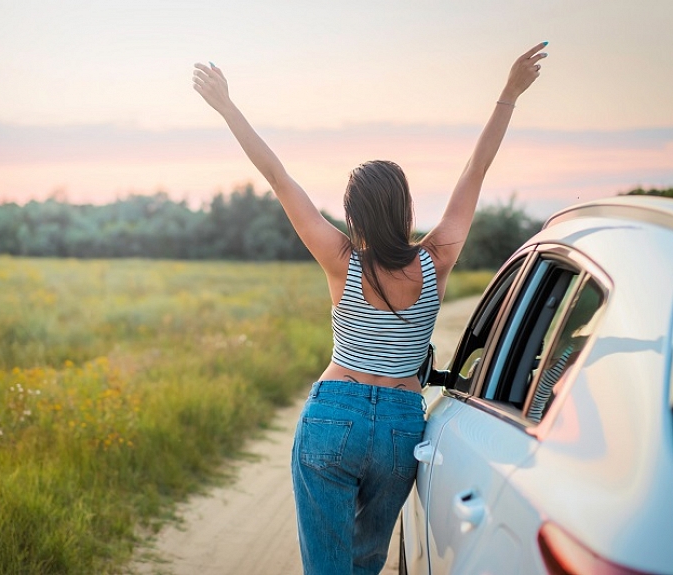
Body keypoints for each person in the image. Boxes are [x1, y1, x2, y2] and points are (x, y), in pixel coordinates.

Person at [193, 42, 547, 575]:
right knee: (364, 566)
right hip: (402, 427)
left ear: (351, 215)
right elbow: (475, 172)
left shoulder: (340, 260)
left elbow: (278, 176)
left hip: (334, 413)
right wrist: (509, 94)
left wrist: (227, 108)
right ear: (406, 208)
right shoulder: (437, 260)